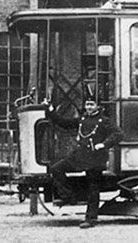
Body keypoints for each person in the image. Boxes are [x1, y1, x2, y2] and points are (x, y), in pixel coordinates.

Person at [42, 94, 123, 229]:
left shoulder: (104, 121)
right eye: (87, 105)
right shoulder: (82, 119)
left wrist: (104, 144)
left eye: (91, 105)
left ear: (98, 106)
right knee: (56, 168)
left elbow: (118, 134)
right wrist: (50, 109)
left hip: (96, 157)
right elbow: (64, 123)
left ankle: (90, 219)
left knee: (93, 188)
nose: (89, 107)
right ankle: (68, 196)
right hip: (80, 156)